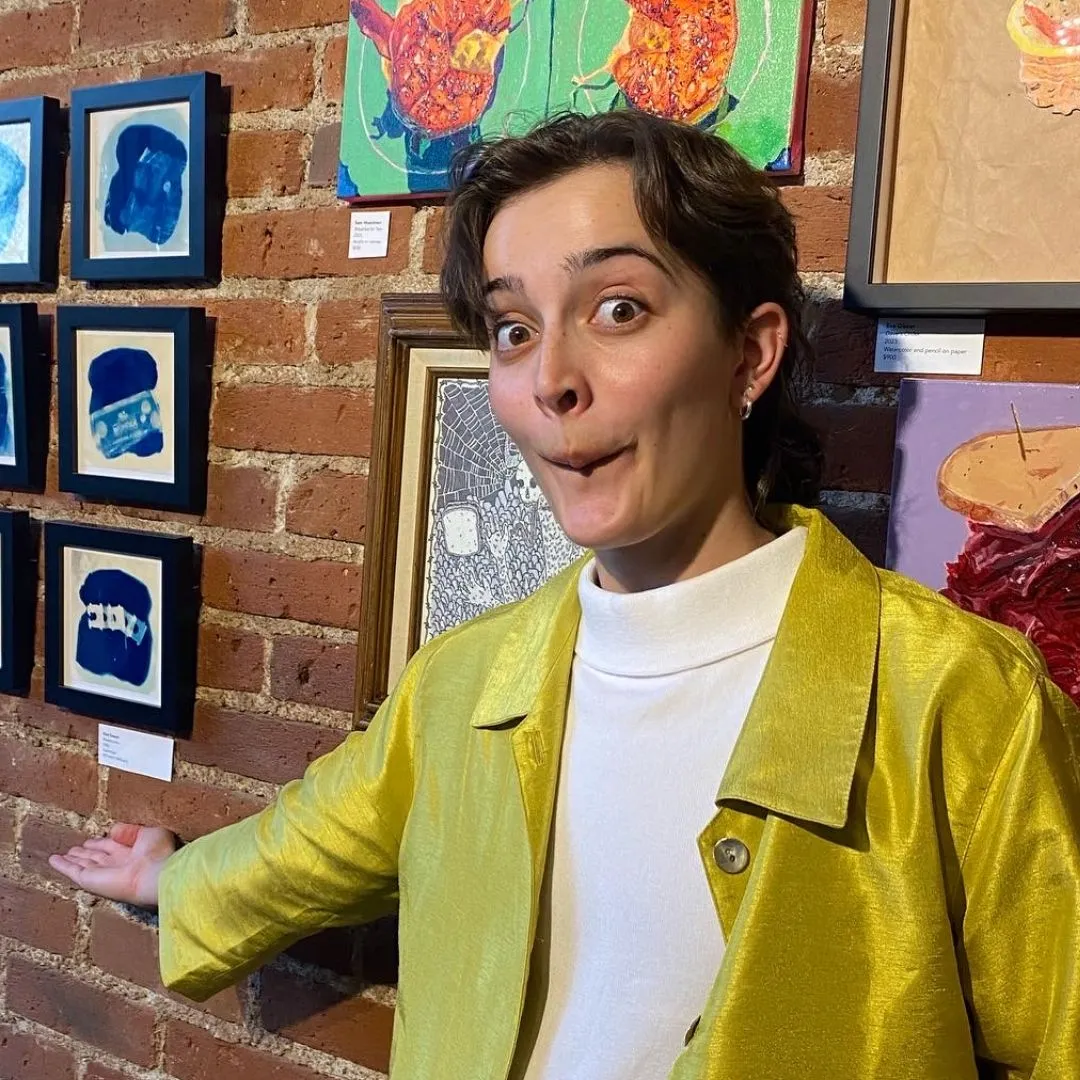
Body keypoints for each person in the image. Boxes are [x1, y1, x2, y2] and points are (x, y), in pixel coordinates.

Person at [52, 111, 1080, 1080]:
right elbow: (319, 839)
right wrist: (167, 880)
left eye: (618, 309)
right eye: (511, 328)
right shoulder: (466, 682)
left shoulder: (954, 700)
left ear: (749, 353)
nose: (552, 378)